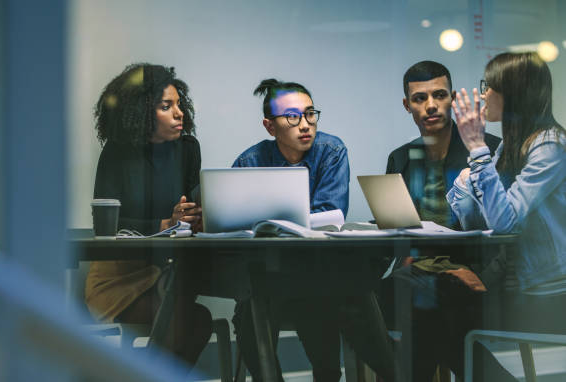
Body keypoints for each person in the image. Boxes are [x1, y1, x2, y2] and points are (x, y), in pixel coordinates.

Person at [232, 79, 395, 382]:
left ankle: (380, 373)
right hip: (270, 275)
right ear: (270, 127)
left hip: (322, 270)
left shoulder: (330, 150)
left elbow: (330, 213)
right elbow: (232, 220)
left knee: (340, 295)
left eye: (310, 114)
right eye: (292, 117)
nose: (305, 124)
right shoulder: (250, 161)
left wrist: (270, 222)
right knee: (249, 312)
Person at [379, 61, 502, 381]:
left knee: (429, 315)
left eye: (439, 95)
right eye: (419, 98)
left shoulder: (485, 148)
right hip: (416, 279)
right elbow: (394, 229)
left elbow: (509, 223)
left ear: (453, 98)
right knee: (359, 301)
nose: (430, 105)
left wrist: (483, 273)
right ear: (407, 105)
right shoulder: (401, 158)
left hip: (473, 278)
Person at [448, 51, 566, 381]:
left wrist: (475, 147)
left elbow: (503, 222)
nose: (483, 94)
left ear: (513, 93)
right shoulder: (510, 145)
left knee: (444, 323)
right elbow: (477, 223)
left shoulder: (550, 146)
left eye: (490, 86)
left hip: (550, 293)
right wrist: (468, 179)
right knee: (433, 314)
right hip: (517, 282)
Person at [84, 63, 212, 367]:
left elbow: (191, 204)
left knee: (197, 318)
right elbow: (105, 225)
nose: (179, 113)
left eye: (179, 104)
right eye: (167, 107)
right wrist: (164, 224)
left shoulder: (188, 148)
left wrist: (193, 214)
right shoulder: (116, 153)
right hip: (119, 277)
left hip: (167, 269)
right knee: (186, 320)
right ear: (141, 113)